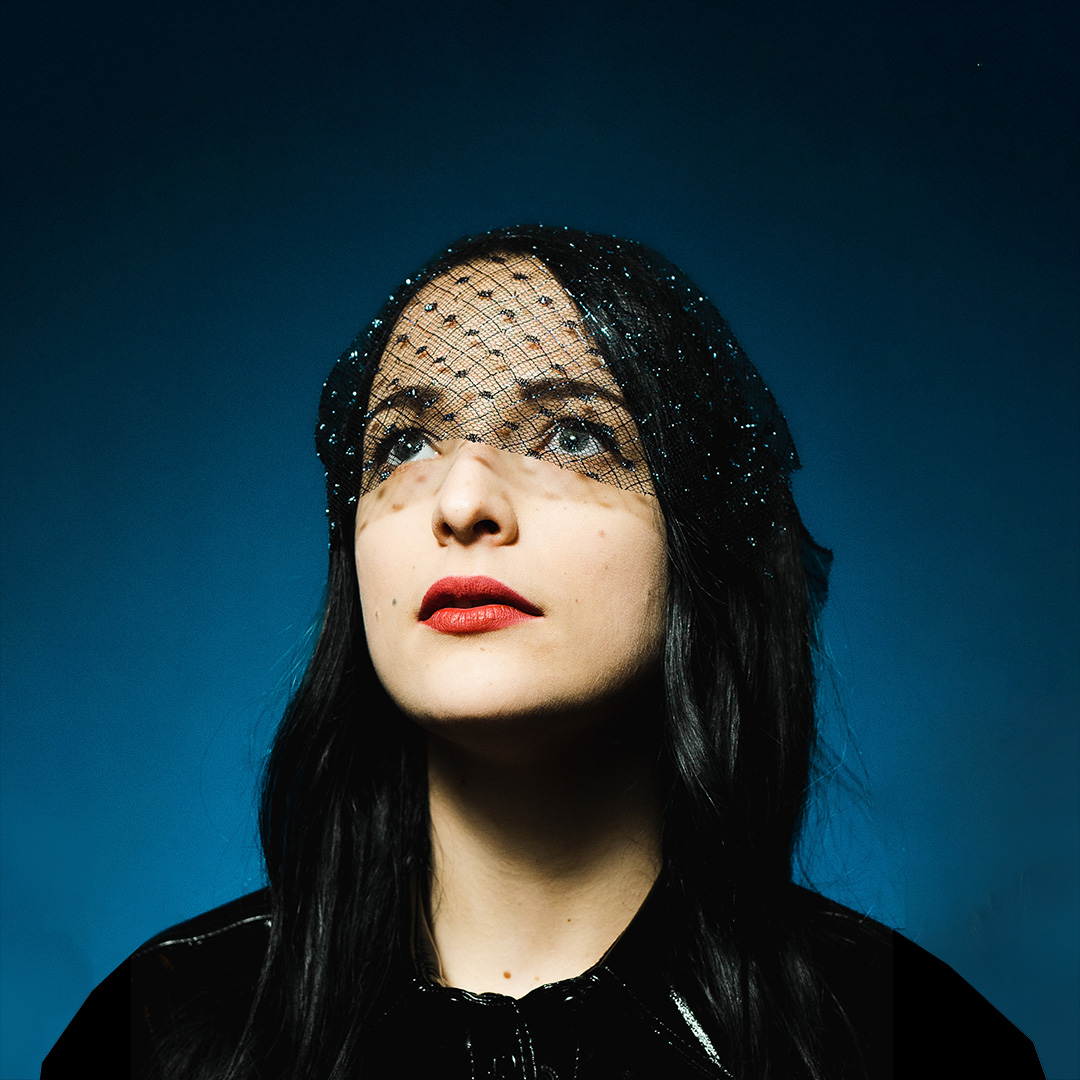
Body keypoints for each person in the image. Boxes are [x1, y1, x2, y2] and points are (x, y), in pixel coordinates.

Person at [42, 225, 1044, 1079]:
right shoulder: (158, 1036)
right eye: (402, 444)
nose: (461, 501)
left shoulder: (914, 1043)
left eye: (570, 436)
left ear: (699, 535)